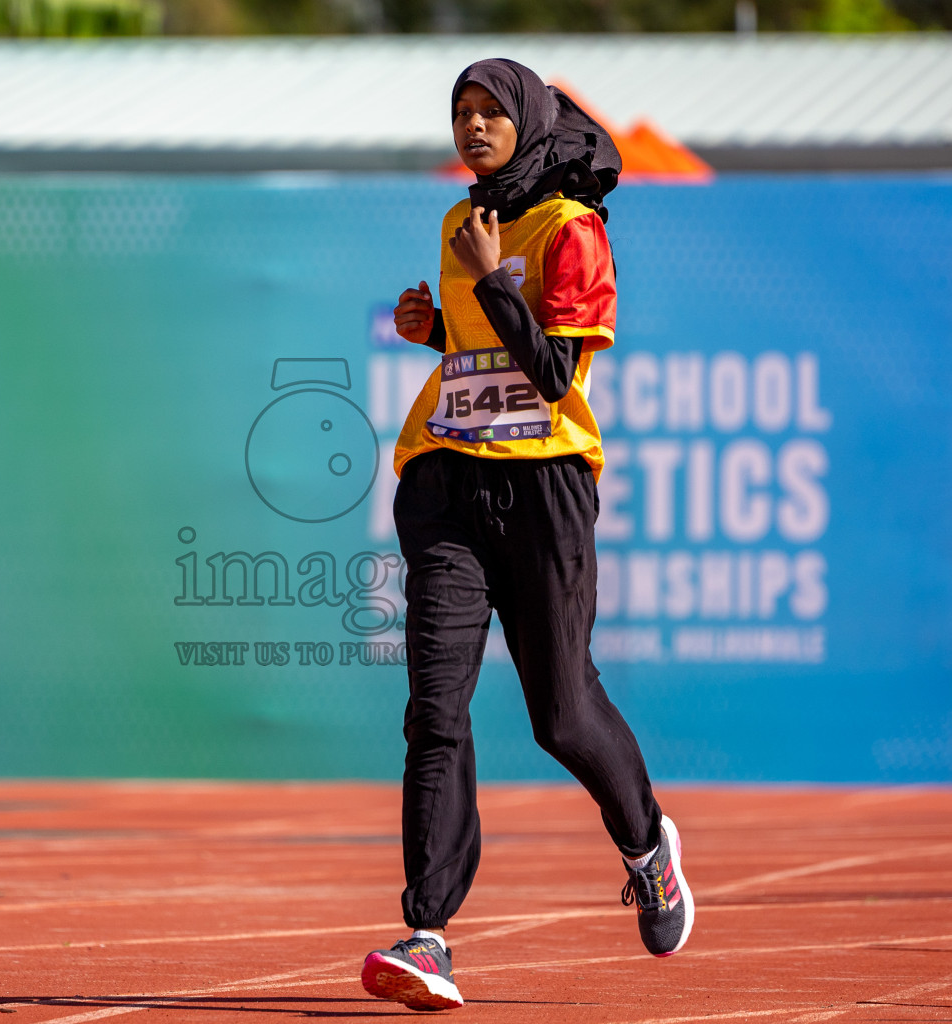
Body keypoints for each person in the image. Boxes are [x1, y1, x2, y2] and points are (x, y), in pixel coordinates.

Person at [359, 58, 693, 1012]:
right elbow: (482, 359)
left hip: (545, 485)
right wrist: (435, 330)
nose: (471, 128)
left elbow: (552, 376)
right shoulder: (462, 225)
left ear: (530, 123)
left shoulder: (573, 232)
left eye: (488, 114)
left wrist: (488, 280)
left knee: (561, 713)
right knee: (436, 708)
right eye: (459, 113)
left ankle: (645, 844)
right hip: (447, 482)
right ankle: (428, 933)